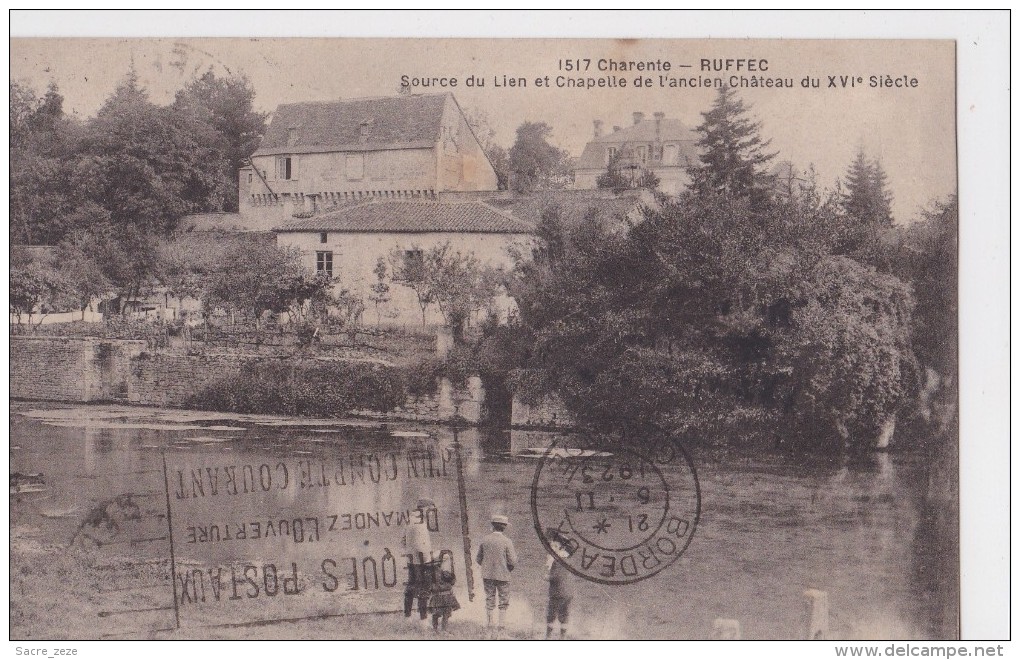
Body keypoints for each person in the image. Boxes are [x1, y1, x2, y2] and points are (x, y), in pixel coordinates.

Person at [475, 514, 518, 639]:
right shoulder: (507, 541)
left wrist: (487, 566)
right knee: (503, 601)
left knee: (489, 599)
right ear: (504, 527)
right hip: (503, 575)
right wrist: (508, 568)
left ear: (492, 526)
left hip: (487, 575)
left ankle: (489, 625)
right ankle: (501, 627)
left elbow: (478, 559)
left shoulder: (485, 539)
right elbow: (512, 561)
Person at [403, 498, 435, 623]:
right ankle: (423, 620)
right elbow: (421, 545)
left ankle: (407, 617)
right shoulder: (420, 523)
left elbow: (403, 540)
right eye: (430, 510)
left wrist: (409, 553)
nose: (431, 513)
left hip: (411, 559)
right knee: (424, 590)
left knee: (410, 587)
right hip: (422, 561)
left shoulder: (409, 520)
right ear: (424, 508)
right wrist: (429, 558)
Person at [544, 531, 577, 640]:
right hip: (568, 592)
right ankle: (563, 637)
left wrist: (547, 577)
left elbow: (555, 576)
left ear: (561, 548)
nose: (552, 547)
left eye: (555, 546)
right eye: (552, 545)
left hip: (557, 592)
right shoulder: (568, 560)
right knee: (564, 615)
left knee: (551, 615)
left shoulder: (557, 560)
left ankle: (548, 637)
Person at [428, 558, 460, 633]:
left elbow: (428, 588)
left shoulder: (428, 574)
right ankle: (444, 630)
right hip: (446, 597)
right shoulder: (445, 573)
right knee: (446, 614)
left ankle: (435, 629)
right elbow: (452, 582)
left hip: (436, 597)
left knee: (435, 614)